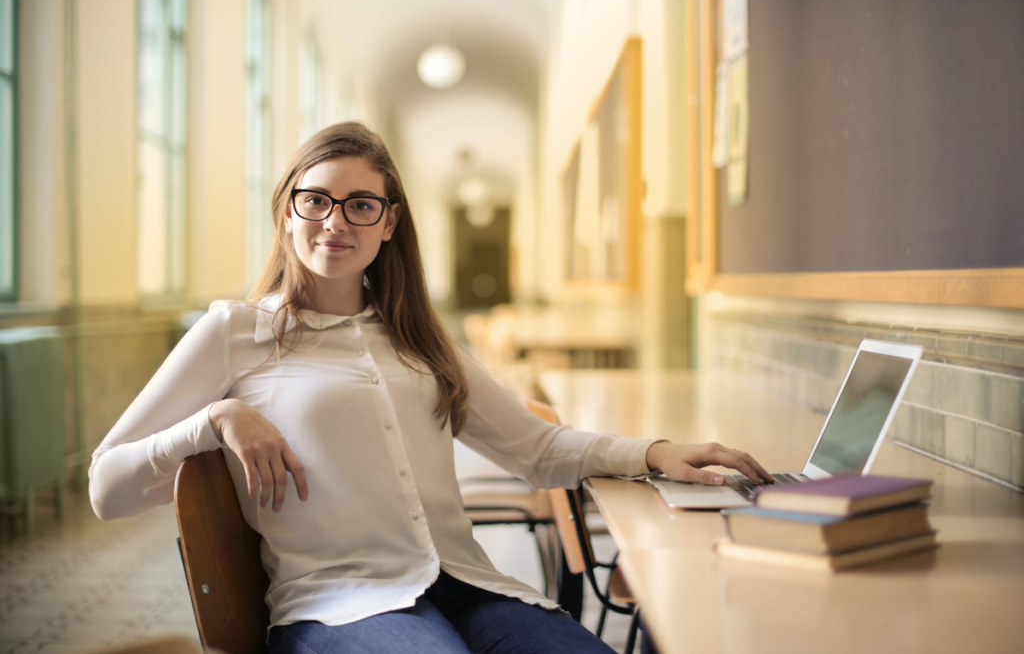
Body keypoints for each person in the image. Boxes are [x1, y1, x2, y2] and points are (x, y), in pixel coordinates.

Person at [89, 122, 774, 654]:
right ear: (287, 212)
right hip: (341, 603)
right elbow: (106, 486)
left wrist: (654, 454)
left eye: (361, 205)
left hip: (470, 585)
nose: (336, 221)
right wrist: (215, 419)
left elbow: (536, 447)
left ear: (389, 223)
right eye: (316, 200)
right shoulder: (234, 332)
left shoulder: (418, 333)